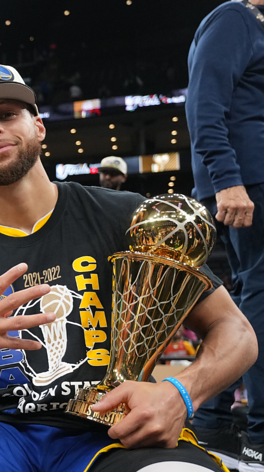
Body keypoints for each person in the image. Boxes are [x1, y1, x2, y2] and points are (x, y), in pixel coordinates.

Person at [0, 63, 258, 472]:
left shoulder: (122, 215)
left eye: (6, 115)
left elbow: (237, 332)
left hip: (115, 433)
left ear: (38, 126)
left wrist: (180, 392)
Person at [187, 3, 264, 471]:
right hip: (248, 180)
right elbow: (204, 102)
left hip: (249, 178)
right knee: (259, 297)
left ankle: (214, 418)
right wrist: (226, 178)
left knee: (244, 300)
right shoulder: (237, 17)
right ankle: (259, 432)